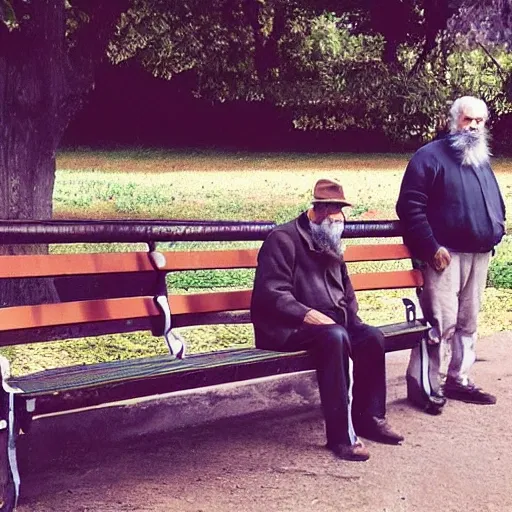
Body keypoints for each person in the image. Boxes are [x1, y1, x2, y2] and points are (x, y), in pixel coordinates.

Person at [251, 178, 404, 462]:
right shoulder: (282, 240)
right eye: (334, 216)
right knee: (335, 337)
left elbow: (345, 289)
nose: (339, 223)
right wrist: (306, 314)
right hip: (288, 328)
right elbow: (270, 293)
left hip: (332, 324)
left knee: (371, 337)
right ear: (319, 211)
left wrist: (352, 318)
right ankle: (342, 437)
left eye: (341, 216)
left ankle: (369, 417)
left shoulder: (328, 239)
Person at [396, 96, 506, 415]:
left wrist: (494, 231)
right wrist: (431, 247)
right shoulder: (429, 157)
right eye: (466, 119)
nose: (472, 126)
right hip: (444, 255)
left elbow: (494, 203)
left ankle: (459, 378)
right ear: (453, 120)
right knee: (440, 322)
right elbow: (409, 207)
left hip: (479, 253)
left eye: (479, 121)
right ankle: (426, 385)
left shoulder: (481, 159)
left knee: (468, 322)